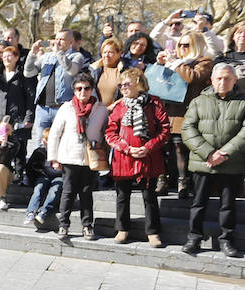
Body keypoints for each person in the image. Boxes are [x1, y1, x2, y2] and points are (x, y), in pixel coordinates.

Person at [180, 63, 245, 256]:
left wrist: (223, 153)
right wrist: (208, 153)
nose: (223, 82)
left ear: (234, 80)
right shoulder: (199, 101)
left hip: (231, 163)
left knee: (228, 205)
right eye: (219, 78)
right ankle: (194, 237)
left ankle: (226, 239)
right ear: (212, 80)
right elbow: (187, 129)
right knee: (198, 203)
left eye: (227, 78)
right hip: (203, 162)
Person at [105, 69, 170, 246]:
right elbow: (110, 132)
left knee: (149, 196)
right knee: (122, 196)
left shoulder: (154, 104)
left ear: (139, 83)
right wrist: (126, 148)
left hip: (148, 157)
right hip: (124, 158)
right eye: (121, 85)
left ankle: (153, 232)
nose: (122, 88)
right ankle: (122, 229)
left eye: (126, 84)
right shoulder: (119, 106)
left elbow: (164, 130)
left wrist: (148, 147)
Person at [46, 73, 108, 241]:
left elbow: (105, 132)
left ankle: (87, 225)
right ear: (74, 90)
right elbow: (55, 134)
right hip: (69, 156)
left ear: (92, 89)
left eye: (87, 88)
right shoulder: (66, 108)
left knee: (87, 193)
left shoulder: (101, 109)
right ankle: (63, 225)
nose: (83, 92)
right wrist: (54, 157)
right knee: (68, 192)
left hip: (91, 157)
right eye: (79, 88)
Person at [155, 31, 214, 198]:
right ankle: (162, 180)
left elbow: (192, 77)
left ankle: (183, 183)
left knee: (180, 147)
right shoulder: (175, 62)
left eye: (187, 45)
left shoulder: (204, 62)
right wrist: (161, 64)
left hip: (187, 111)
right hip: (168, 110)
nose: (182, 48)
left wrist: (175, 63)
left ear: (197, 45)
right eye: (180, 44)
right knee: (162, 147)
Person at [27, 30, 88, 146]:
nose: (57, 42)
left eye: (62, 39)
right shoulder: (47, 57)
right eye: (56, 38)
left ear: (71, 42)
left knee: (61, 142)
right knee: (40, 144)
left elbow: (72, 70)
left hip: (62, 107)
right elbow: (28, 73)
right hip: (42, 108)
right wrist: (31, 54)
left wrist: (59, 53)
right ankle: (40, 165)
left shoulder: (76, 56)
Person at [22, 140, 63, 230]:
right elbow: (30, 168)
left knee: (55, 189)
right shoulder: (39, 152)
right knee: (39, 188)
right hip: (43, 176)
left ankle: (44, 212)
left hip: (58, 176)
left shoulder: (62, 152)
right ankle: (31, 212)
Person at [90, 37, 127, 107]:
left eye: (110, 52)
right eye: (104, 52)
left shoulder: (124, 72)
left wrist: (113, 106)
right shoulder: (94, 70)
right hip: (95, 111)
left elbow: (129, 94)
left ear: (119, 54)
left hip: (116, 112)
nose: (106, 55)